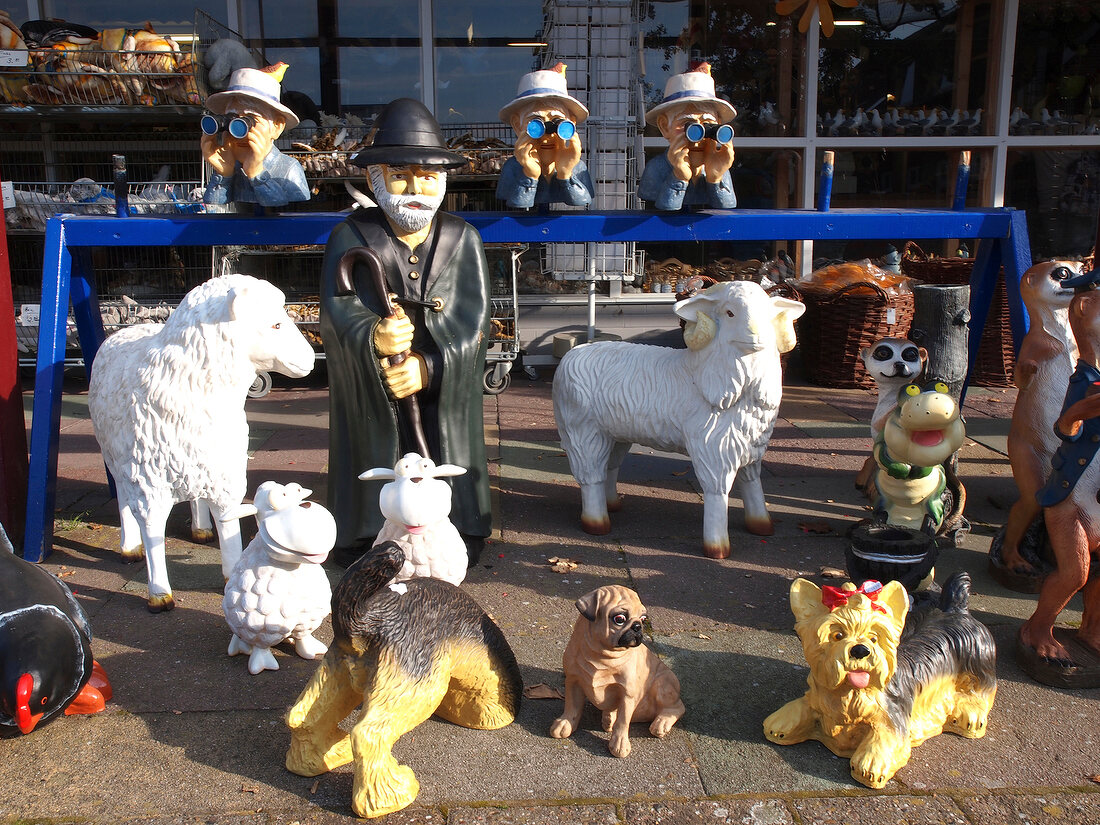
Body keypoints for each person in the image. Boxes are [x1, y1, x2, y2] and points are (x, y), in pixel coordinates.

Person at [320, 98, 492, 567]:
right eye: (400, 175)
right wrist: (371, 337)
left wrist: (431, 364)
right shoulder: (349, 237)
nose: (415, 188)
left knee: (443, 450)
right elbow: (336, 312)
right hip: (374, 391)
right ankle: (366, 531)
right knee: (378, 451)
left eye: (428, 177)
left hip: (439, 394)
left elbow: (475, 321)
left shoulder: (464, 238)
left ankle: (458, 526)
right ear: (376, 179)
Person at [201, 64, 310, 208]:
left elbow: (288, 214)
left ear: (277, 126)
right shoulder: (233, 166)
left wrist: (257, 174)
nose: (239, 134)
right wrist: (224, 174)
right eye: (230, 120)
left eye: (249, 121)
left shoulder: (288, 169)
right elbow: (214, 209)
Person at [638, 63, 737, 211]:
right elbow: (662, 213)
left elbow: (726, 206)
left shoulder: (718, 165)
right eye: (687, 125)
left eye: (708, 125)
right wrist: (678, 176)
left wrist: (715, 178)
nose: (698, 140)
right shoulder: (656, 168)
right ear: (665, 127)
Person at [496, 63, 594, 209]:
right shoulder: (513, 168)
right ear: (518, 125)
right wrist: (530, 174)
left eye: (557, 122)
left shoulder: (577, 166)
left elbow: (582, 201)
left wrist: (565, 174)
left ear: (571, 123)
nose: (546, 136)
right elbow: (517, 204)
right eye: (535, 125)